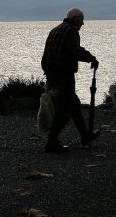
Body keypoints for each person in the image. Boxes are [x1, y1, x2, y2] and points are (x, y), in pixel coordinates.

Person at [41, 8, 100, 153]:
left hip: (52, 73)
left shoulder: (56, 29)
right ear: (75, 19)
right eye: (82, 19)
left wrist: (49, 74)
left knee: (73, 104)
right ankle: (51, 141)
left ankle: (85, 135)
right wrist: (91, 58)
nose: (83, 23)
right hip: (64, 73)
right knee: (65, 108)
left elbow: (47, 53)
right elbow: (75, 50)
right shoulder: (71, 31)